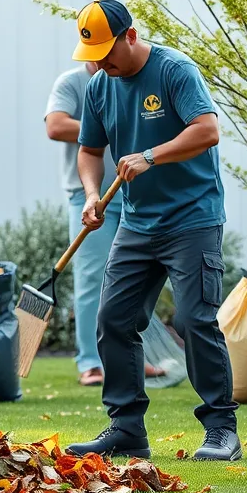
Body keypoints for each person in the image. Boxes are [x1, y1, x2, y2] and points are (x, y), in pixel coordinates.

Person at [65, 0, 240, 462]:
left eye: (107, 51)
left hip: (193, 219)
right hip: (137, 223)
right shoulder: (100, 86)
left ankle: (222, 428)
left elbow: (207, 131)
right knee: (113, 320)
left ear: (132, 35)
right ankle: (125, 429)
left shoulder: (175, 70)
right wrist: (89, 194)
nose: (102, 63)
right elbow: (89, 152)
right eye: (93, 55)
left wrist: (150, 155)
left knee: (194, 320)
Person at [45, 62, 166, 387]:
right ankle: (91, 363)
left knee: (136, 276)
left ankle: (132, 360)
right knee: (92, 278)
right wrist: (106, 125)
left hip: (138, 194)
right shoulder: (72, 82)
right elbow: (55, 126)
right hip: (89, 197)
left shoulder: (136, 76)